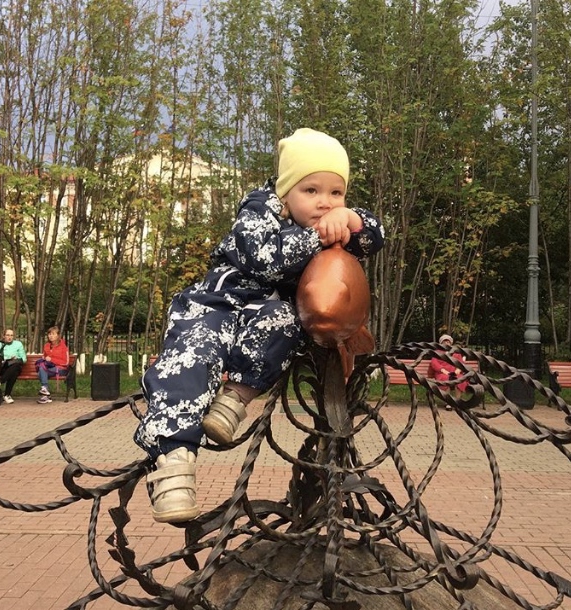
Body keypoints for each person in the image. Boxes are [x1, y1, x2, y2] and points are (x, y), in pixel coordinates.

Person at [134, 127, 385, 524]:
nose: (325, 202)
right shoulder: (259, 207)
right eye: (311, 190)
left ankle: (235, 399)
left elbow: (374, 236)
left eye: (336, 192)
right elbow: (263, 258)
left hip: (264, 312)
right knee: (191, 358)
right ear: (286, 192)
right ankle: (172, 461)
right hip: (217, 303)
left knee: (286, 325)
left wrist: (353, 219)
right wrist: (318, 237)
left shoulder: (332, 220)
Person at [429, 334, 469, 410]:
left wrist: (458, 369)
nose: (447, 343)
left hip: (455, 373)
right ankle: (448, 402)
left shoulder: (456, 352)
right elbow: (434, 363)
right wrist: (443, 370)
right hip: (442, 373)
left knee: (461, 379)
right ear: (441, 343)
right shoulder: (437, 352)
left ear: (451, 343)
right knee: (446, 379)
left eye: (448, 341)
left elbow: (461, 363)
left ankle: (457, 402)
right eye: (445, 341)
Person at [0, 329, 27, 404]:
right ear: (3, 336)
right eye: (7, 335)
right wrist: (5, 358)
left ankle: (0, 381)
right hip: (2, 367)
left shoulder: (18, 344)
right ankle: (7, 395)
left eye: (11, 335)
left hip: (14, 365)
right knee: (14, 372)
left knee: (15, 367)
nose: (10, 337)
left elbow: (24, 359)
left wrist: (16, 358)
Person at [36, 326, 69, 404]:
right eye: (49, 334)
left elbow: (66, 362)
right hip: (49, 368)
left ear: (58, 335)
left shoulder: (63, 346)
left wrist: (52, 360)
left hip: (61, 369)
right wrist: (44, 358)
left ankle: (45, 392)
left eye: (53, 334)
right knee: (41, 369)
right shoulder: (46, 345)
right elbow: (44, 356)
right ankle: (46, 394)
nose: (51, 336)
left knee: (41, 372)